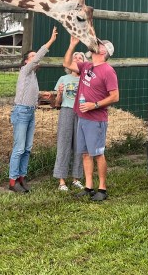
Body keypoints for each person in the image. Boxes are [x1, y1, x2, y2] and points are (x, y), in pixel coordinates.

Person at [63, 36, 119, 201]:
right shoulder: (86, 66)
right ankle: (88, 187)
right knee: (86, 153)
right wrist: (72, 44)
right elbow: (66, 63)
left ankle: (102, 188)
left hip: (96, 119)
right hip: (82, 117)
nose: (96, 44)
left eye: (99, 44)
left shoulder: (108, 71)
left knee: (98, 154)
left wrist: (94, 105)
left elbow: (115, 96)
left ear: (104, 51)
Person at [8, 26, 58, 193]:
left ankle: (22, 177)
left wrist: (44, 96)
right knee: (19, 148)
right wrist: (51, 41)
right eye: (31, 57)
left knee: (27, 148)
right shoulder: (25, 71)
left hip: (30, 112)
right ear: (26, 62)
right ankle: (12, 180)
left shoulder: (32, 77)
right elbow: (37, 58)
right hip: (21, 112)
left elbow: (33, 94)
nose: (35, 59)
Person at [52, 51, 86, 191]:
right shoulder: (63, 78)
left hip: (82, 113)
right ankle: (61, 180)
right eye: (75, 57)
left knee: (80, 145)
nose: (77, 59)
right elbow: (57, 103)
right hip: (66, 111)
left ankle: (76, 178)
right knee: (64, 144)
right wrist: (59, 94)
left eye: (80, 58)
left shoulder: (86, 80)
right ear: (70, 62)